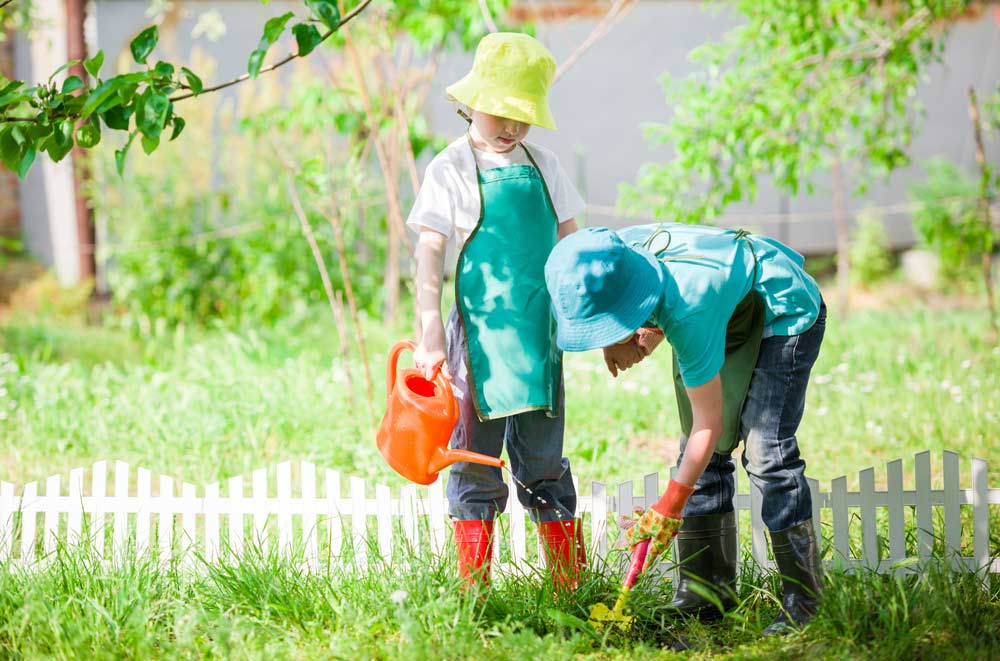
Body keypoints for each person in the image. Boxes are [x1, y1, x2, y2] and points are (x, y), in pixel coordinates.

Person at [544, 223, 827, 635]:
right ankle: (705, 595)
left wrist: (669, 507)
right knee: (698, 459)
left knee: (768, 453)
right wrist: (621, 336)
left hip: (782, 311)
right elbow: (653, 293)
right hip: (723, 311)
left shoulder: (691, 307)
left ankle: (805, 602)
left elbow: (708, 424)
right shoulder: (612, 257)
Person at [407, 32, 586, 588]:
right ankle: (474, 591)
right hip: (475, 341)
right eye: (501, 115)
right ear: (473, 101)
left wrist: (594, 319)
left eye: (522, 118)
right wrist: (430, 329)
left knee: (545, 463)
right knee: (473, 459)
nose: (511, 129)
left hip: (540, 337)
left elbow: (573, 243)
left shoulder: (546, 164)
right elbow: (430, 250)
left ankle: (568, 588)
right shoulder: (451, 168)